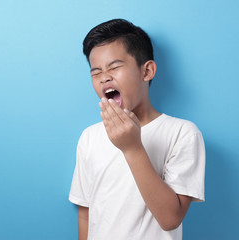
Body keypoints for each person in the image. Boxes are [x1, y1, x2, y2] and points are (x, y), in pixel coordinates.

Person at [68, 19, 205, 240]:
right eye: (96, 72)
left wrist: (132, 148)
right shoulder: (89, 137)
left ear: (147, 71)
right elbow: (85, 211)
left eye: (114, 67)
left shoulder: (183, 133)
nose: (104, 77)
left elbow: (171, 218)